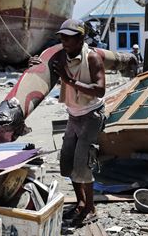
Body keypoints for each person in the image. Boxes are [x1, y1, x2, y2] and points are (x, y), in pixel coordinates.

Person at [49, 18, 106, 225]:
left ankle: (91, 208)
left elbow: (100, 90)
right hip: (73, 114)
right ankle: (81, 202)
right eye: (62, 37)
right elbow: (46, 64)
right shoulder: (62, 55)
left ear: (81, 38)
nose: (64, 41)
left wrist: (69, 80)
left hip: (91, 114)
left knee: (83, 162)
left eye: (69, 37)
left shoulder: (92, 58)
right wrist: (35, 64)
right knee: (68, 161)